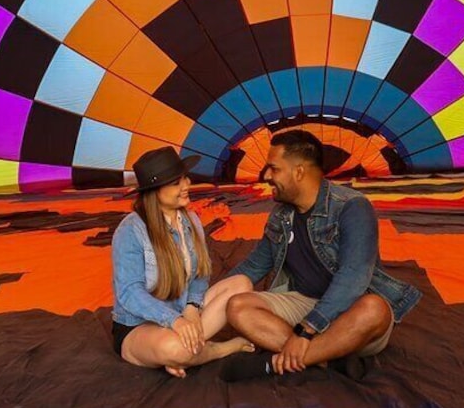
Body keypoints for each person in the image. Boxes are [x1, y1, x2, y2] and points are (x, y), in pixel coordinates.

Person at [218, 130, 422, 382]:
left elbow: (354, 278)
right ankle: (324, 358)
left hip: (350, 310)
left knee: (375, 309)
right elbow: (253, 266)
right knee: (238, 306)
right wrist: (204, 303)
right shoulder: (281, 215)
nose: (267, 176)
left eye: (274, 168)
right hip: (304, 302)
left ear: (299, 172)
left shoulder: (352, 207)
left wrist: (306, 330)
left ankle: (272, 363)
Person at [111, 146, 253, 378]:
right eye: (176, 183)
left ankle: (185, 354)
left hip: (181, 313)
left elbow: (200, 275)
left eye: (185, 178)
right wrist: (174, 320)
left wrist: (191, 309)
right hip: (140, 326)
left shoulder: (191, 219)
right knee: (174, 348)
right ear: (155, 191)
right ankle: (216, 350)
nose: (187, 185)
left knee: (242, 285)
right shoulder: (130, 230)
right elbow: (129, 292)